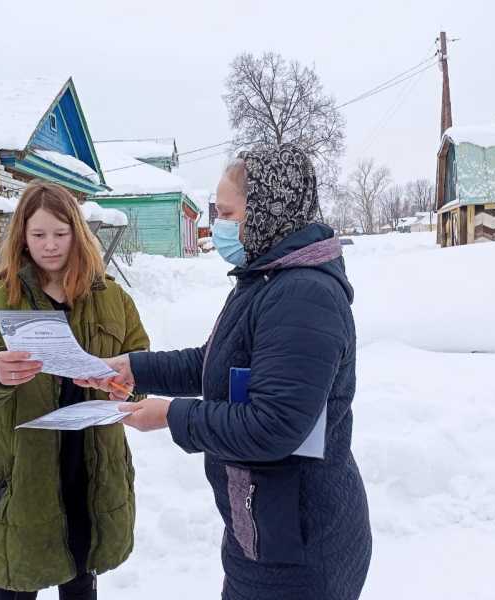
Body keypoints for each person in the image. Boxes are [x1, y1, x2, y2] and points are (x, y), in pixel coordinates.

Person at [78, 145, 372, 600]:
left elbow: (275, 426)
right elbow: (217, 362)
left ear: (268, 210)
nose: (218, 224)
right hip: (269, 523)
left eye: (228, 212)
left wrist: (172, 416)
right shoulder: (269, 278)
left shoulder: (302, 296)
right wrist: (135, 369)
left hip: (298, 543)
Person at [0, 181, 149, 600]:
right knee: (18, 579)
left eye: (60, 233)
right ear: (22, 236)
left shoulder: (113, 299)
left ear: (77, 232)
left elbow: (141, 371)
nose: (50, 245)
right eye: (38, 235)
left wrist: (126, 388)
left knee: (81, 579)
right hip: (24, 479)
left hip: (91, 473)